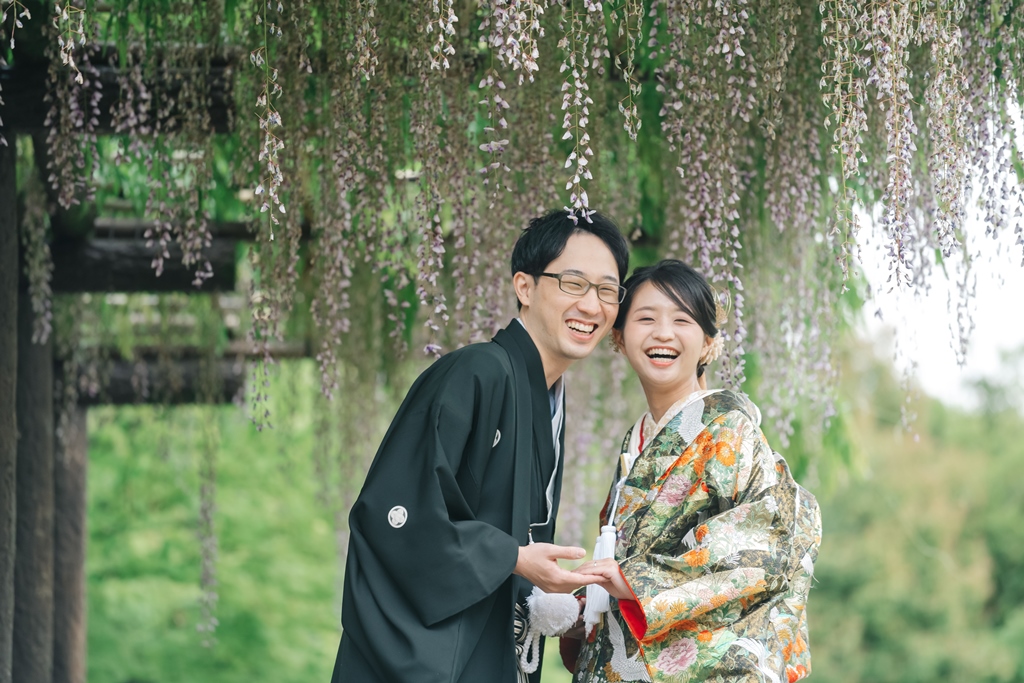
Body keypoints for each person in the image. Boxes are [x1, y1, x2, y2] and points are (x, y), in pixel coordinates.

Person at [331, 209, 631, 683]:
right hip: (439, 662)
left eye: (607, 290)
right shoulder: (477, 373)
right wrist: (512, 558)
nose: (592, 306)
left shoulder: (546, 397)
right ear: (525, 287)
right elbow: (395, 516)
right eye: (573, 284)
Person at [564, 259, 822, 683]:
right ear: (619, 338)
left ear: (707, 345)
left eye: (681, 320)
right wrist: (588, 602)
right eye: (646, 318)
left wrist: (634, 583)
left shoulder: (729, 429)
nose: (663, 333)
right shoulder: (637, 441)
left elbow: (762, 547)